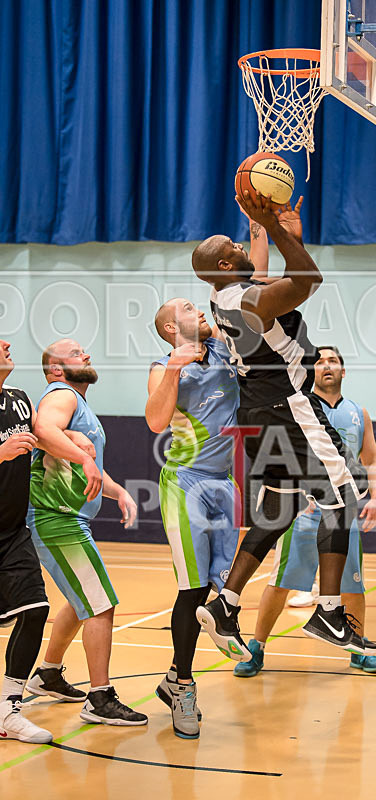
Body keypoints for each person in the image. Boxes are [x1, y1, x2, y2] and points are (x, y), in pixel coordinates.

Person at [192, 190, 374, 660]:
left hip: (257, 411)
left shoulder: (222, 295)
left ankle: (226, 603)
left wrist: (281, 233)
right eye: (233, 247)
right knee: (345, 493)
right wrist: (272, 227)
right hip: (288, 408)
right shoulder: (248, 300)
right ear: (225, 266)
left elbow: (279, 273)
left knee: (278, 510)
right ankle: (328, 611)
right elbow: (308, 279)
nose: (241, 245)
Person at [145, 212, 275, 739]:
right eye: (186, 308)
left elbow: (252, 282)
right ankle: (183, 685)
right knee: (192, 588)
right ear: (170, 328)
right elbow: (155, 421)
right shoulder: (165, 365)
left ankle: (179, 673)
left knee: (219, 590)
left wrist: (260, 227)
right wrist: (176, 366)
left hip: (225, 483)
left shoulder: (224, 344)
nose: (197, 309)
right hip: (186, 484)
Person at [235, 345, 376, 677]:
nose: (326, 365)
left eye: (333, 360)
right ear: (309, 371)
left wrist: (375, 498)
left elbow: (371, 459)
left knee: (353, 584)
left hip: (341, 513)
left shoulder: (358, 413)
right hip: (303, 513)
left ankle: (356, 647)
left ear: (343, 370)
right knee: (280, 583)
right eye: (319, 361)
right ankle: (256, 647)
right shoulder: (296, 405)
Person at [25, 338, 147, 727]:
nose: (87, 355)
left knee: (82, 600)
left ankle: (48, 673)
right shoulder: (61, 395)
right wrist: (82, 455)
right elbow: (43, 429)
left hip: (69, 518)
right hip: (54, 517)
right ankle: (100, 698)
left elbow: (86, 467)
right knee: (100, 604)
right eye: (76, 353)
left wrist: (118, 491)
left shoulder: (79, 404)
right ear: (56, 369)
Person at [0, 339, 53, 744]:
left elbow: (45, 436)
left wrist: (78, 451)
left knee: (35, 610)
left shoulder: (18, 399)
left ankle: (7, 709)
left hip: (13, 530)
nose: (6, 343)